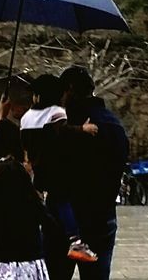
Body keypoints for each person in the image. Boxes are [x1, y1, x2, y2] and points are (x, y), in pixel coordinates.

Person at [31, 65, 130, 280]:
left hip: (63, 228)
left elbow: (43, 180)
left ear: (71, 90)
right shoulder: (114, 128)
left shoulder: (63, 132)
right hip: (101, 222)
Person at [21, 73, 98, 263]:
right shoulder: (56, 112)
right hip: (56, 169)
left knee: (49, 206)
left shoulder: (26, 117)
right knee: (63, 202)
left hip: (38, 170)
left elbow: (25, 143)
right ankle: (76, 241)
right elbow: (60, 134)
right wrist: (82, 129)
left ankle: (43, 241)